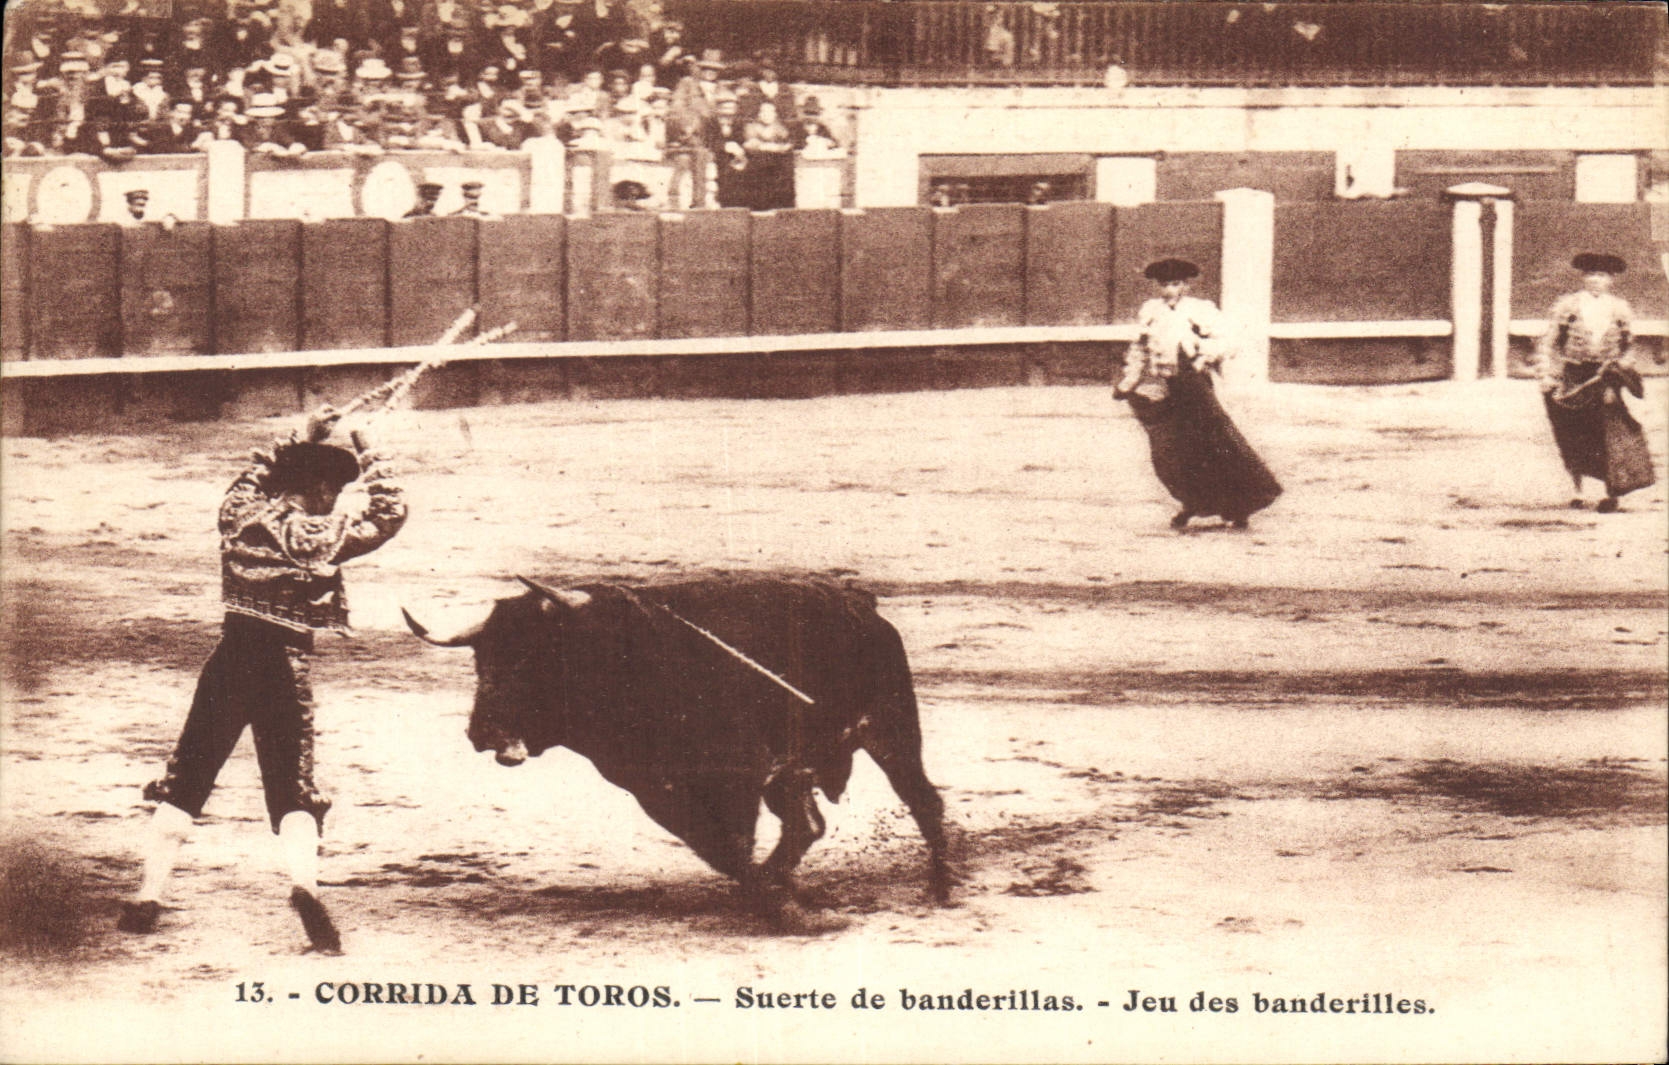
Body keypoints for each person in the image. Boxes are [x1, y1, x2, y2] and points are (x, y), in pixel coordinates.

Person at [118, 406, 406, 953]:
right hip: (284, 668)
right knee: (291, 786)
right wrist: (370, 451)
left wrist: (298, 435)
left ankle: (149, 895)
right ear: (319, 487)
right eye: (333, 490)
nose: (335, 499)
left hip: (229, 660)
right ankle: (304, 886)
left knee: (189, 772)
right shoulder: (323, 534)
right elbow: (390, 514)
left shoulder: (240, 517)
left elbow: (246, 481)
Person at [1113, 258, 1282, 530]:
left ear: (1185, 286)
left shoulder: (1199, 310)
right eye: (1165, 284)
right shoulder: (1150, 311)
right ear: (1158, 286)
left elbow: (1228, 341)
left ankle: (1239, 506)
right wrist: (1128, 382)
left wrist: (1202, 357)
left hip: (1194, 388)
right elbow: (1140, 349)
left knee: (1214, 444)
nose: (1169, 289)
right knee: (1173, 451)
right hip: (1167, 386)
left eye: (1175, 283)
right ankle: (1192, 503)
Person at [1533, 253, 1654, 513]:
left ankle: (1608, 491)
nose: (1595, 280)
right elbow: (1549, 343)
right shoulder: (1568, 306)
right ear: (1583, 278)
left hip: (1605, 377)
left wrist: (1622, 366)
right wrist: (1546, 374)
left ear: (1611, 280)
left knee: (1606, 431)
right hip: (1574, 375)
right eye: (1590, 275)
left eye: (1601, 276)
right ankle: (1578, 490)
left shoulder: (1620, 309)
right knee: (1572, 432)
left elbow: (1628, 348)